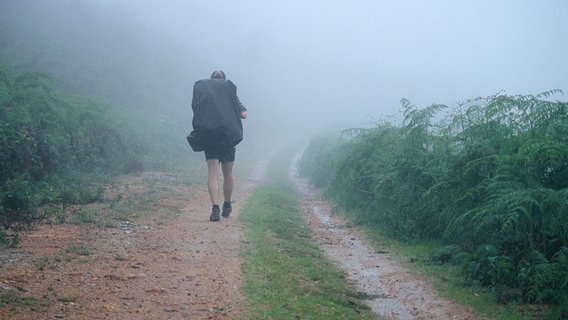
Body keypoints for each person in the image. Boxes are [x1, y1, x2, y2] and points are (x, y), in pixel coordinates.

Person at [189, 70, 248, 221]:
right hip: (227, 137)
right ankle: (227, 205)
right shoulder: (230, 94)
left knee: (212, 172)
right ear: (224, 80)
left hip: (210, 137)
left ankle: (215, 208)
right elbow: (244, 114)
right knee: (228, 174)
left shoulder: (205, 93)